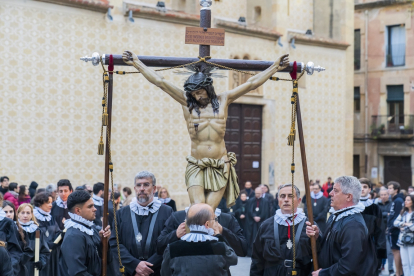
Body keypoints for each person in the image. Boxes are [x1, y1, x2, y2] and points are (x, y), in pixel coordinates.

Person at [123, 50, 289, 210]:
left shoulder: (224, 99)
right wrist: (137, 63)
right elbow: (161, 82)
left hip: (220, 165)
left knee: (208, 210)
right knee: (198, 208)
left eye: (200, 92)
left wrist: (275, 67)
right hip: (197, 164)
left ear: (208, 89)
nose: (197, 96)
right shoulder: (186, 102)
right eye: (194, 93)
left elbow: (251, 83)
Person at [306, 176, 377, 276]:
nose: (330, 193)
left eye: (335, 191)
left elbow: (349, 264)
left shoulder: (353, 225)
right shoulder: (335, 216)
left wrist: (323, 273)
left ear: (348, 197)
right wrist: (318, 236)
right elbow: (330, 249)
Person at [109, 171, 173, 276]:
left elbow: (169, 242)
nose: (142, 188)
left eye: (146, 184)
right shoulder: (121, 213)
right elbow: (115, 243)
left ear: (154, 189)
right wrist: (135, 265)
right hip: (130, 271)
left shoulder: (167, 212)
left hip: (157, 271)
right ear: (134, 189)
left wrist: (146, 268)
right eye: (138, 185)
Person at [251, 184, 321, 276]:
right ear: (278, 200)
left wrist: (317, 238)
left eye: (291, 196)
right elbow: (257, 259)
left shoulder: (309, 226)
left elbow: (320, 255)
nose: (286, 199)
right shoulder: (266, 225)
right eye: (282, 196)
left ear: (299, 201)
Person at [160, 203, 238, 276]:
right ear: (207, 224)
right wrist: (219, 236)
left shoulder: (172, 248)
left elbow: (165, 273)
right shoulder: (220, 247)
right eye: (214, 220)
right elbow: (234, 260)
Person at [157, 204, 247, 260]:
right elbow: (159, 247)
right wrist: (175, 235)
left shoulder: (226, 218)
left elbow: (242, 250)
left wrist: (223, 231)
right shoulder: (177, 216)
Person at [59, 190, 112, 276]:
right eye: (90, 206)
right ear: (78, 211)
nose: (95, 209)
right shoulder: (73, 236)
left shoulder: (91, 229)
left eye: (93, 205)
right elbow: (77, 272)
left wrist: (104, 242)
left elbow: (104, 261)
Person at [358, 178, 386, 275]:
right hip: (354, 246)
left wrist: (380, 254)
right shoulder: (351, 207)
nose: (362, 189)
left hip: (371, 247)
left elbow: (380, 231)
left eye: (365, 187)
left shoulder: (375, 208)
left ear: (370, 189)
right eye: (360, 187)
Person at [33, 192, 62, 276]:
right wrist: (46, 245)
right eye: (48, 202)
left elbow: (57, 231)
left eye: (51, 202)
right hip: (40, 254)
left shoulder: (51, 218)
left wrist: (61, 235)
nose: (51, 205)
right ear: (40, 203)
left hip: (52, 253)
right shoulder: (34, 218)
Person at [16, 203, 50, 276]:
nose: (25, 215)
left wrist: (41, 261)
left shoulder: (37, 231)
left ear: (31, 215)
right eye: (23, 212)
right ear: (18, 214)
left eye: (28, 213)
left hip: (33, 269)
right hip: (18, 269)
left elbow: (44, 251)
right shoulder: (14, 230)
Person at [245, 187, 271, 256]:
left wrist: (260, 217)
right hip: (252, 222)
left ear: (262, 193)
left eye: (259, 193)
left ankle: (260, 252)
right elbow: (249, 210)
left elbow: (266, 211)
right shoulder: (251, 200)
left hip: (261, 221)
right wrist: (254, 216)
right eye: (256, 193)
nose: (257, 195)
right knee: (251, 237)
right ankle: (251, 252)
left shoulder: (265, 201)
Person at [0, 194, 23, 275]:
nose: (9, 214)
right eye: (6, 211)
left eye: (11, 211)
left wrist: (9, 267)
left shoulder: (7, 223)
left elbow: (15, 250)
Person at [393, 194, 414, 276]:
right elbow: (395, 223)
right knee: (405, 263)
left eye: (408, 200)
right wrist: (405, 224)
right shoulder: (403, 212)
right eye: (405, 200)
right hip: (402, 240)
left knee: (412, 263)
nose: (405, 202)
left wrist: (405, 226)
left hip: (412, 241)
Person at [388, 181, 405, 276]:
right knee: (395, 251)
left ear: (396, 190)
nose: (388, 190)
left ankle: (398, 273)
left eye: (390, 188)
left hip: (395, 230)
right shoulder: (395, 199)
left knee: (396, 251)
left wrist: (391, 227)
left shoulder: (398, 200)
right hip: (393, 228)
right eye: (388, 188)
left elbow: (397, 215)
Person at [377, 187, 394, 273]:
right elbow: (377, 216)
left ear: (388, 195)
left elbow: (391, 215)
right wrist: (385, 214)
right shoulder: (377, 205)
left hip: (388, 230)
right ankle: (379, 266)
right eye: (382, 195)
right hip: (379, 231)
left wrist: (384, 214)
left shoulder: (392, 204)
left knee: (389, 251)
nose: (383, 196)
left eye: (385, 194)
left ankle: (390, 268)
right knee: (379, 249)